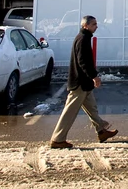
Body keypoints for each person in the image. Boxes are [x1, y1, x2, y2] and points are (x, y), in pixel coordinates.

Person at [49, 15, 118, 149]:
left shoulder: (83, 37)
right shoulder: (82, 39)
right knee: (70, 112)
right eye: (93, 24)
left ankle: (102, 131)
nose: (96, 26)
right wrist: (94, 76)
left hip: (85, 84)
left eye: (96, 24)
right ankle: (58, 139)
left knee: (92, 109)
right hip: (80, 83)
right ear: (85, 26)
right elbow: (83, 61)